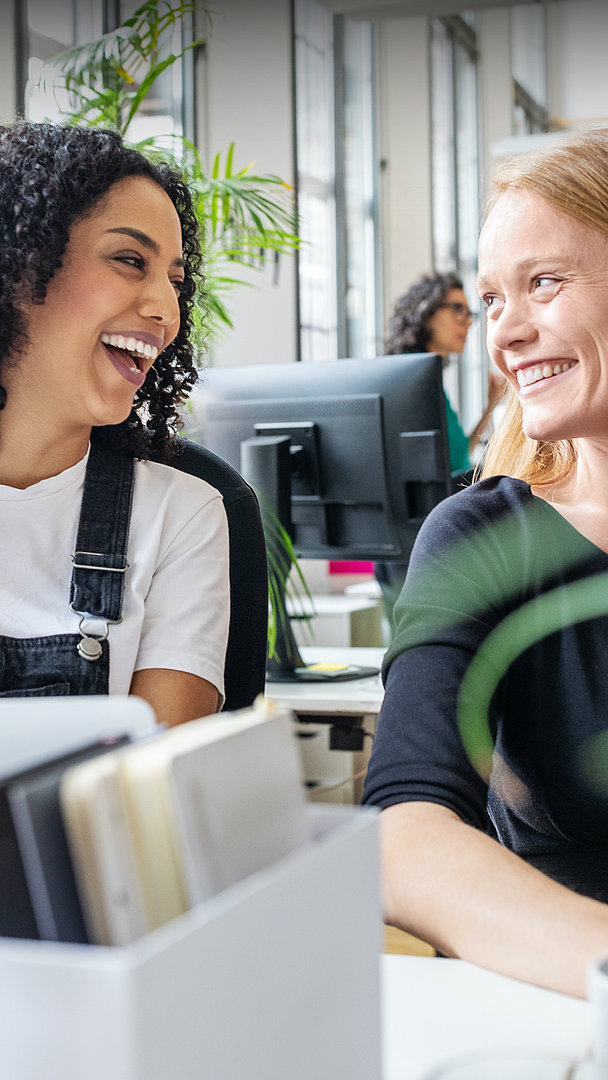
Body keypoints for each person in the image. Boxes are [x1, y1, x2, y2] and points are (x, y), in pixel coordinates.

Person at [363, 126, 608, 999]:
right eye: (494, 299)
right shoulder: (482, 536)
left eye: (542, 282)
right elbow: (403, 832)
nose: (505, 332)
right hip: (570, 1003)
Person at [0, 121, 230, 727]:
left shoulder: (181, 516)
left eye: (177, 282)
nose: (165, 308)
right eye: (130, 261)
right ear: (18, 263)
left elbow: (159, 798)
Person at [384, 270, 504, 473]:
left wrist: (490, 406)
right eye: (457, 309)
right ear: (425, 312)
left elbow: (456, 458)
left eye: (470, 314)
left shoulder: (429, 379)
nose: (467, 322)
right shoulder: (406, 381)